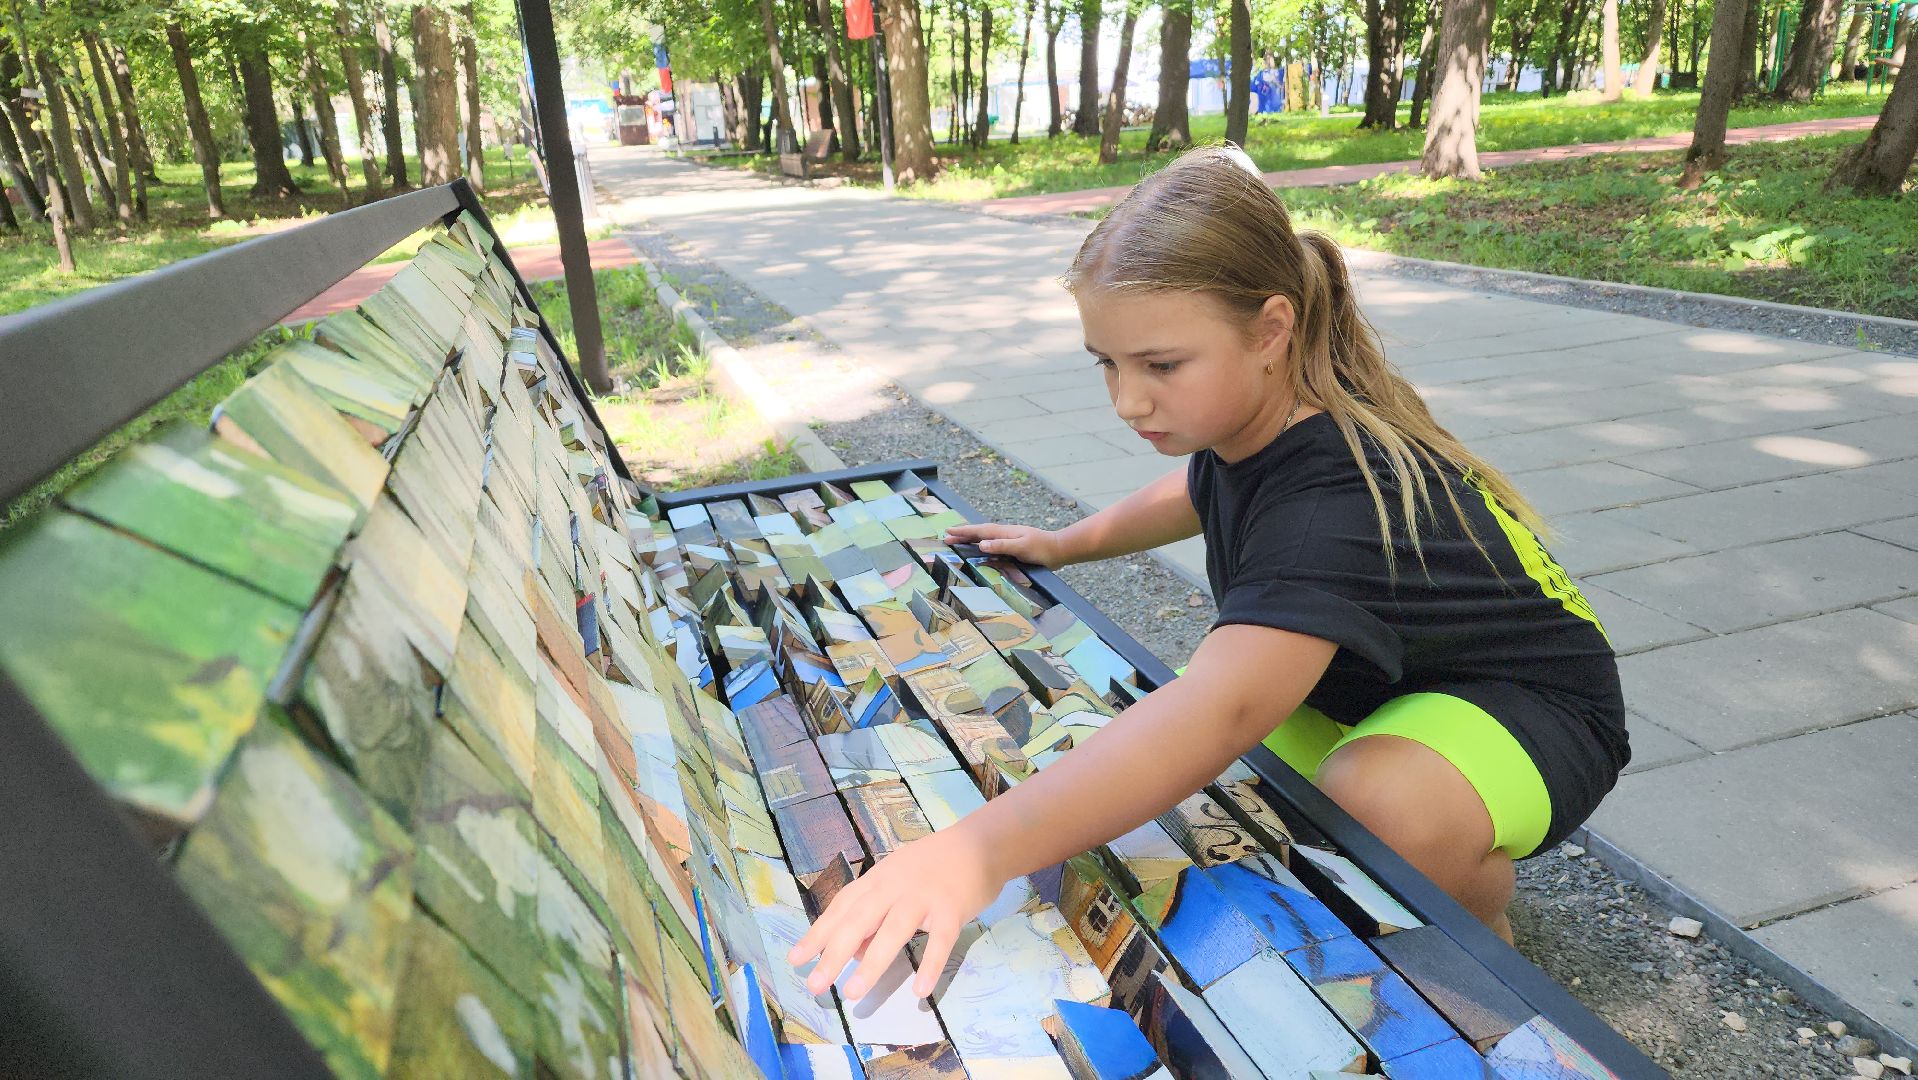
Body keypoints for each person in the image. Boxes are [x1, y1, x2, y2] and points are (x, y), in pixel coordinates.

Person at [788, 145, 1629, 1002]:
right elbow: (1194, 491)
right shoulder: (1256, 414)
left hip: (1535, 708)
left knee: (1364, 798)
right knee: (1202, 780)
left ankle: (1480, 915)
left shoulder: (1327, 502)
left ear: (1270, 330)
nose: (1127, 401)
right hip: (1394, 681)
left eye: (1160, 365)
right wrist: (1063, 542)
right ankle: (1414, 832)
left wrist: (973, 851)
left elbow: (1217, 711)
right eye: (1106, 363)